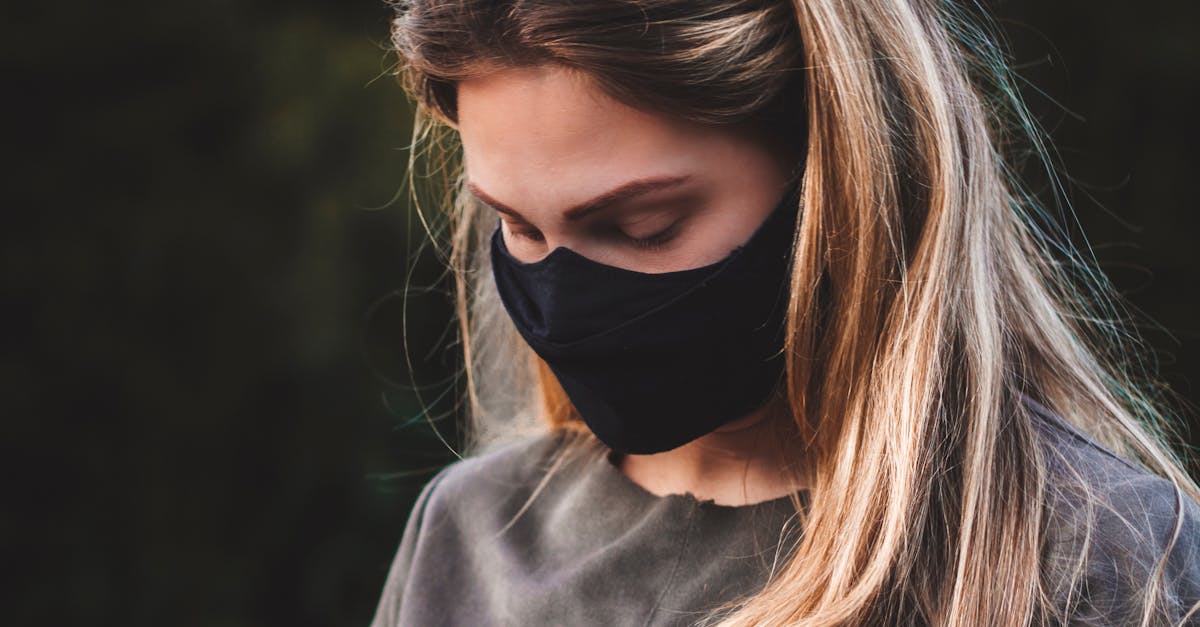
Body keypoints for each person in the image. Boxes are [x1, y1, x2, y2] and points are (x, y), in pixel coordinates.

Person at [371, 1, 1200, 625]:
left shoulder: (1094, 558)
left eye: (644, 226)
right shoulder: (470, 532)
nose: (561, 300)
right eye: (519, 227)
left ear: (838, 174)